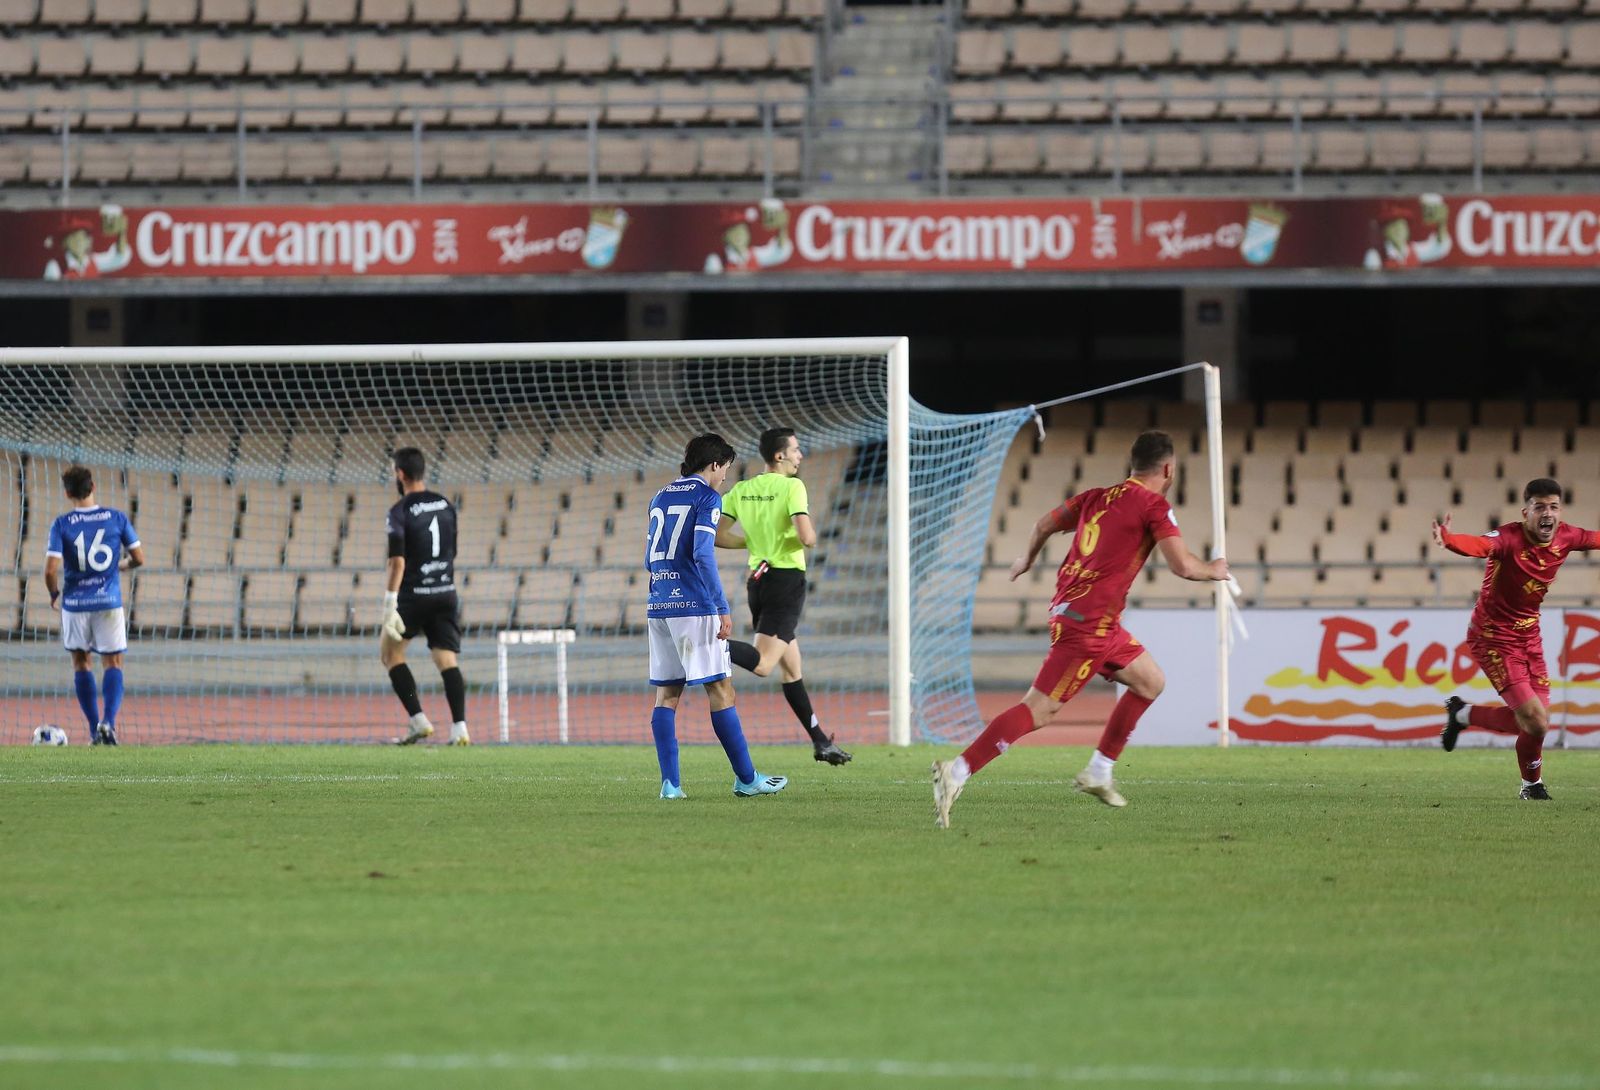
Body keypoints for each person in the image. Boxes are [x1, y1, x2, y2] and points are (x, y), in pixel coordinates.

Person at [932, 430, 1229, 828]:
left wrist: (1027, 559)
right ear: (1168, 468)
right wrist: (1215, 570)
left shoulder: (1095, 497)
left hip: (1091, 619)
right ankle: (957, 771)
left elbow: (1042, 524)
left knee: (1150, 682)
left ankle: (1100, 771)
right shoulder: (1154, 505)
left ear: (1133, 463)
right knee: (1038, 711)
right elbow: (1184, 567)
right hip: (1089, 625)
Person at [1434, 479, 1600, 800]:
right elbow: (1479, 545)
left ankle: (1463, 716)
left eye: (1553, 506)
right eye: (1539, 507)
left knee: (1537, 723)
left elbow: (1595, 538)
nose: (1547, 513)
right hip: (1493, 636)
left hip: (1529, 634)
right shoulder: (1508, 539)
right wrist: (1449, 539)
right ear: (1526, 513)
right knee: (1535, 721)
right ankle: (1532, 785)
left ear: (1559, 511)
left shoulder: (1566, 535)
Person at [647, 434, 787, 800]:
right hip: (694, 606)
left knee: (667, 695)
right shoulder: (707, 497)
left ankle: (670, 785)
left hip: (659, 603)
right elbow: (703, 555)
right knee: (722, 689)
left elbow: (650, 556)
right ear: (713, 464)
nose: (724, 477)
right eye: (724, 468)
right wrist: (721, 606)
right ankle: (747, 778)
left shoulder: (660, 495)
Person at [716, 427, 851, 765]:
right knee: (763, 664)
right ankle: (706, 643)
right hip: (786, 581)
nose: (800, 456)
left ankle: (822, 742)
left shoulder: (742, 489)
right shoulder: (793, 486)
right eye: (796, 450)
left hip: (758, 582)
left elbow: (718, 535)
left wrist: (753, 542)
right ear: (779, 456)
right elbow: (807, 538)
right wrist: (809, 536)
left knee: (792, 670)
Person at [44, 465, 144, 745]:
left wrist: (54, 594)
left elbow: (50, 570)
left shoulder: (61, 524)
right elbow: (138, 558)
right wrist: (120, 566)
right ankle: (108, 724)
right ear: (93, 486)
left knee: (81, 663)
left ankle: (92, 730)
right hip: (108, 602)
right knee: (113, 661)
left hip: (75, 605)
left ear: (67, 493)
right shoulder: (117, 518)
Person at [381, 448, 470, 746]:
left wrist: (389, 602)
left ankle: (418, 720)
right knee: (446, 659)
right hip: (445, 591)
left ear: (401, 474)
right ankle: (460, 728)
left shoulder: (399, 511)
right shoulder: (446, 504)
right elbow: (452, 550)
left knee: (391, 653)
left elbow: (397, 563)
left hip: (414, 595)